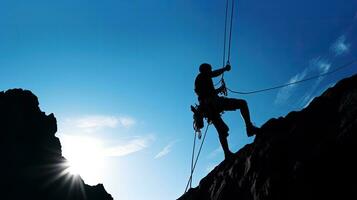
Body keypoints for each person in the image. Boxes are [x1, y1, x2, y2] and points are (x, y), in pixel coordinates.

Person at [194, 63, 259, 159]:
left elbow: (207, 93)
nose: (211, 71)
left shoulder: (200, 80)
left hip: (209, 109)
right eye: (210, 69)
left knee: (222, 130)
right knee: (242, 103)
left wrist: (219, 89)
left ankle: (227, 153)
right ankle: (249, 128)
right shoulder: (202, 76)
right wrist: (225, 69)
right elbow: (212, 77)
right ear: (205, 70)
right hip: (214, 103)